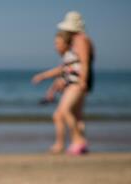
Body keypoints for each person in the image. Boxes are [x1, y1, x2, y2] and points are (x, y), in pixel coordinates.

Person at [32, 12, 94, 155]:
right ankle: (75, 144)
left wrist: (83, 81)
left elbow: (84, 62)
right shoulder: (74, 43)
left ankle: (78, 141)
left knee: (65, 111)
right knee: (73, 115)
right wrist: (45, 78)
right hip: (75, 82)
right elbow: (66, 69)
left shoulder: (80, 39)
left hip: (77, 82)